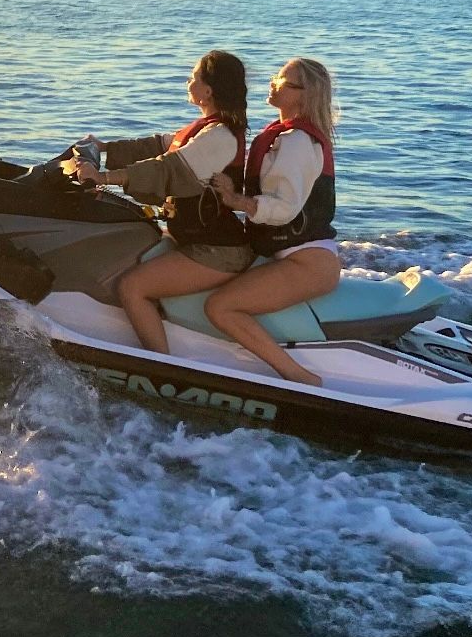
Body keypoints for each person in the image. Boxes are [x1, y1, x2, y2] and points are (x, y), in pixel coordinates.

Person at [74, 51, 253, 356]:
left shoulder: (219, 137)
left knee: (133, 288)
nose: (188, 81)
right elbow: (156, 145)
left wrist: (103, 178)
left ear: (209, 90)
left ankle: (161, 365)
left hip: (219, 250)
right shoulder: (206, 129)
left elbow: (165, 169)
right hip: (194, 240)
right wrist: (104, 148)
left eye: (194, 77)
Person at [205, 56, 339, 388]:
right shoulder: (281, 136)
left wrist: (237, 201)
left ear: (304, 96)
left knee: (221, 307)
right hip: (294, 254)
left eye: (282, 81)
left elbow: (284, 209)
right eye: (275, 77)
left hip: (306, 262)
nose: (272, 83)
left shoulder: (296, 141)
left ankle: (299, 378)